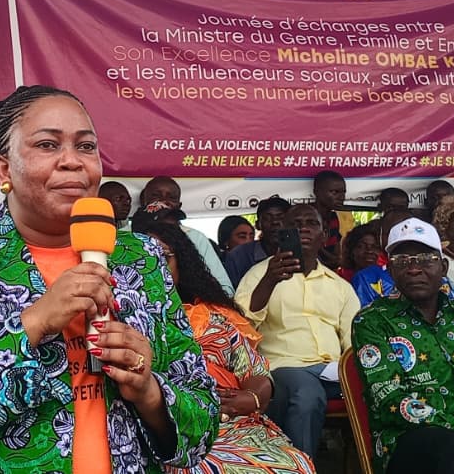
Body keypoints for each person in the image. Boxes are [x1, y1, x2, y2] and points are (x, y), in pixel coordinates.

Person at [0, 85, 218, 472]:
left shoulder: (142, 257)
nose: (72, 161)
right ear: (4, 169)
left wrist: (149, 392)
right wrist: (34, 323)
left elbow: (203, 420)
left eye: (86, 146)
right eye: (48, 145)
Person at [135, 216, 315, 473]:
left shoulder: (214, 316)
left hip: (234, 425)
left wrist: (250, 398)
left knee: (296, 465)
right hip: (175, 433)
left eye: (162, 256)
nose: (153, 266)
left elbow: (255, 372)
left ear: (181, 262)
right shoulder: (122, 320)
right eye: (142, 260)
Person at [353, 219, 454, 474]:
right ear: (390, 270)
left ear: (443, 266)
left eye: (425, 259)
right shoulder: (371, 321)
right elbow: (389, 400)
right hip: (409, 441)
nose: (413, 269)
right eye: (402, 260)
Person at [234, 203, 360, 460]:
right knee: (306, 395)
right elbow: (241, 328)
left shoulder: (340, 286)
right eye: (296, 224)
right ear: (283, 232)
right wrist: (269, 281)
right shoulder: (259, 274)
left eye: (311, 223)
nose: (303, 229)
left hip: (333, 372)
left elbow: (353, 340)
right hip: (284, 368)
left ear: (324, 235)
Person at [140, 175, 235, 295]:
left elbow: (227, 290)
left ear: (179, 206)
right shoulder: (124, 236)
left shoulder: (195, 238)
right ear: (144, 202)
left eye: (171, 197)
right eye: (156, 196)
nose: (164, 201)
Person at [224, 196, 290, 289]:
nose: (275, 222)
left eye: (281, 218)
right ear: (258, 225)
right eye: (268, 218)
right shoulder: (238, 256)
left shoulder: (301, 253)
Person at [350, 210, 413, 306]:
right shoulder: (366, 278)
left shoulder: (430, 275)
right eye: (392, 232)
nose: (400, 238)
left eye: (408, 232)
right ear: (381, 237)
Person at [311, 170, 352, 269]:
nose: (341, 197)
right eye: (334, 192)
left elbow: (335, 249)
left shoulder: (333, 217)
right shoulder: (306, 217)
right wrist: (337, 261)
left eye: (343, 192)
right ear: (317, 191)